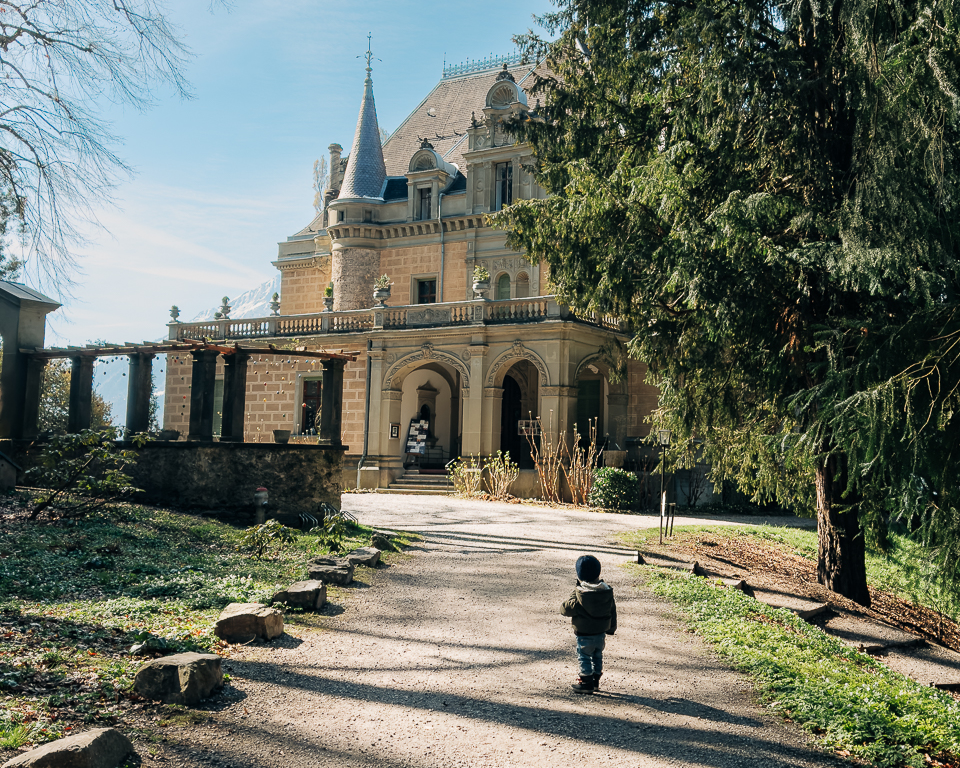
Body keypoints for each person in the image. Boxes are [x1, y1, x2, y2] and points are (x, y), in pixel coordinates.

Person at [561, 554, 617, 694]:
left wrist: (574, 593)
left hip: (584, 633)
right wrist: (611, 628)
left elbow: (566, 609)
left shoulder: (580, 594)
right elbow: (612, 610)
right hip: (600, 632)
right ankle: (596, 680)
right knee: (597, 655)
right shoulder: (606, 591)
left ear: (579, 575)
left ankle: (586, 682)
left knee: (584, 656)